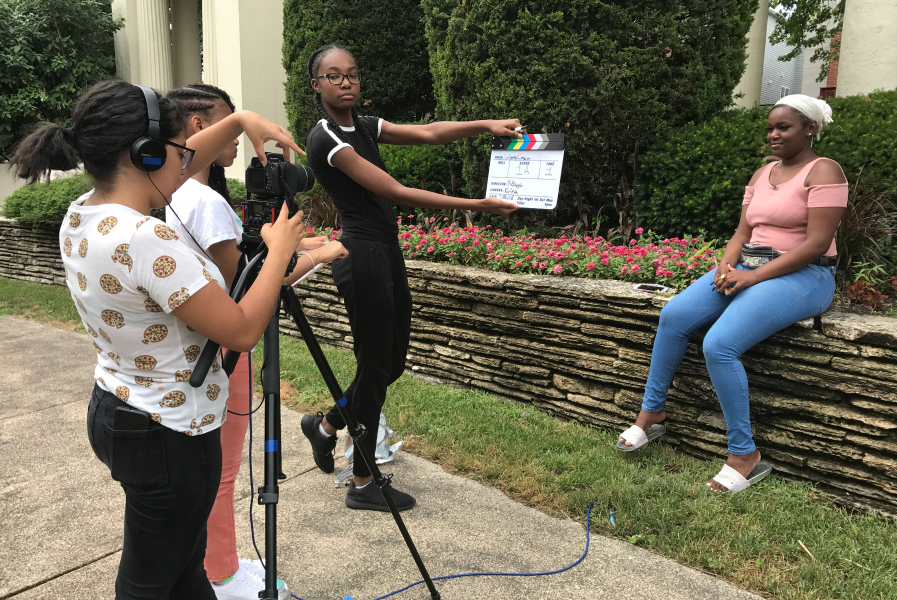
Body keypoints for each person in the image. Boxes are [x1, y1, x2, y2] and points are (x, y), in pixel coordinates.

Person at [9, 80, 310, 599]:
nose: (188, 163)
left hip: (121, 410)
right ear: (145, 153)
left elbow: (168, 172)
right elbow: (240, 331)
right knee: (149, 581)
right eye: (179, 152)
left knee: (182, 569)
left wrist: (239, 123)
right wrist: (279, 251)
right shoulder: (146, 239)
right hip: (170, 436)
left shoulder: (85, 213)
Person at [301, 43, 521, 512]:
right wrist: (478, 207)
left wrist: (486, 125)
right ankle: (363, 481)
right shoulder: (327, 139)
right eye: (334, 76)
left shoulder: (361, 125)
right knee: (377, 366)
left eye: (353, 74)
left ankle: (325, 425)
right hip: (360, 256)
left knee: (389, 363)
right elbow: (396, 191)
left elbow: (426, 133)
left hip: (385, 251)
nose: (346, 83)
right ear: (316, 84)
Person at [165, 83, 345, 600]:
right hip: (221, 352)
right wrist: (322, 254)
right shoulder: (205, 201)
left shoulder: (177, 194)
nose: (244, 144)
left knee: (206, 473)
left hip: (191, 347)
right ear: (199, 127)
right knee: (222, 472)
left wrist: (297, 245)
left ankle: (211, 563)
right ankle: (221, 571)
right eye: (233, 124)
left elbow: (251, 255)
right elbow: (254, 284)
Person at [616, 94, 848, 493]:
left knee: (719, 344)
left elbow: (814, 244)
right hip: (749, 267)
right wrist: (727, 267)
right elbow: (742, 234)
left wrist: (751, 279)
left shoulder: (824, 171)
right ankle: (651, 415)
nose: (774, 134)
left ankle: (745, 455)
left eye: (784, 127)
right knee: (674, 316)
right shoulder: (762, 174)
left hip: (807, 274)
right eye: (770, 128)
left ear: (810, 128)